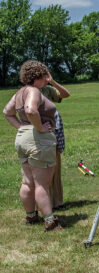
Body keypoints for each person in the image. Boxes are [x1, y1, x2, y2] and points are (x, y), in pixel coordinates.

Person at [3, 60, 62, 231]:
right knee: (42, 183)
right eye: (45, 76)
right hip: (38, 139)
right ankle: (50, 220)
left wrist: (21, 127)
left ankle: (31, 215)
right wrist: (38, 127)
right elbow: (30, 110)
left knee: (28, 181)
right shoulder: (34, 91)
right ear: (38, 76)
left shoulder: (19, 92)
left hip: (23, 138)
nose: (46, 80)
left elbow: (7, 112)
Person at [40, 73, 70, 209]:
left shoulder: (47, 89)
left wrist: (52, 81)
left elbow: (65, 94)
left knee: (55, 169)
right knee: (42, 171)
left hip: (53, 133)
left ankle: (57, 201)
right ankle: (44, 203)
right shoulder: (29, 91)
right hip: (40, 134)